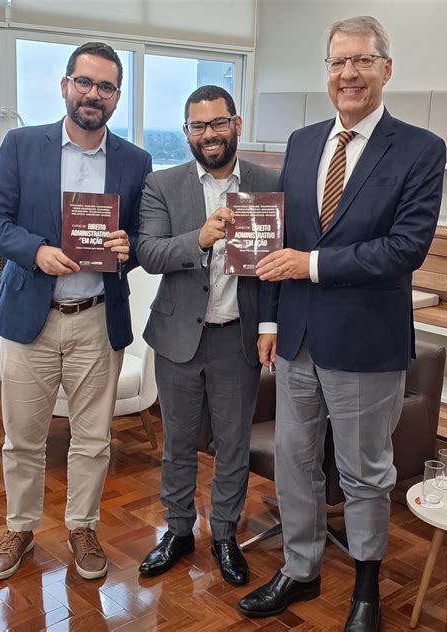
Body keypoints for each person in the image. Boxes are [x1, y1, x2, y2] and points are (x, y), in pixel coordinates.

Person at [237, 16, 446, 631]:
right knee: (297, 462)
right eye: (337, 62)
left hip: (365, 341)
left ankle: (366, 588)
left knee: (363, 472)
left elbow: (404, 248)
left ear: (386, 67)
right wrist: (269, 322)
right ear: (326, 71)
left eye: (361, 61)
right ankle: (301, 570)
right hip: (297, 337)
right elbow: (282, 246)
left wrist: (313, 265)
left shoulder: (420, 149)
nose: (347, 74)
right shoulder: (303, 143)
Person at [0, 41, 152, 581]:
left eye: (105, 86)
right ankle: (22, 527)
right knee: (22, 438)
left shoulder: (135, 161)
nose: (93, 94)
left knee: (94, 438)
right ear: (65, 85)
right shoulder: (21, 145)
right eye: (85, 82)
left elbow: (146, 239)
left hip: (98, 318)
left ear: (117, 97)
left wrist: (131, 247)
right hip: (31, 317)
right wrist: (33, 250)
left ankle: (83, 526)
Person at [137, 85, 279, 585]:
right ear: (186, 132)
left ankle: (224, 534)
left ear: (236, 124)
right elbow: (149, 252)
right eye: (198, 126)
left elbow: (275, 269)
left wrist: (269, 326)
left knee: (234, 444)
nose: (209, 134)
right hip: (178, 336)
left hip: (238, 339)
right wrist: (198, 237)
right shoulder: (162, 184)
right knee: (177, 443)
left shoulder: (267, 182)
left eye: (218, 123)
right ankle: (177, 531)